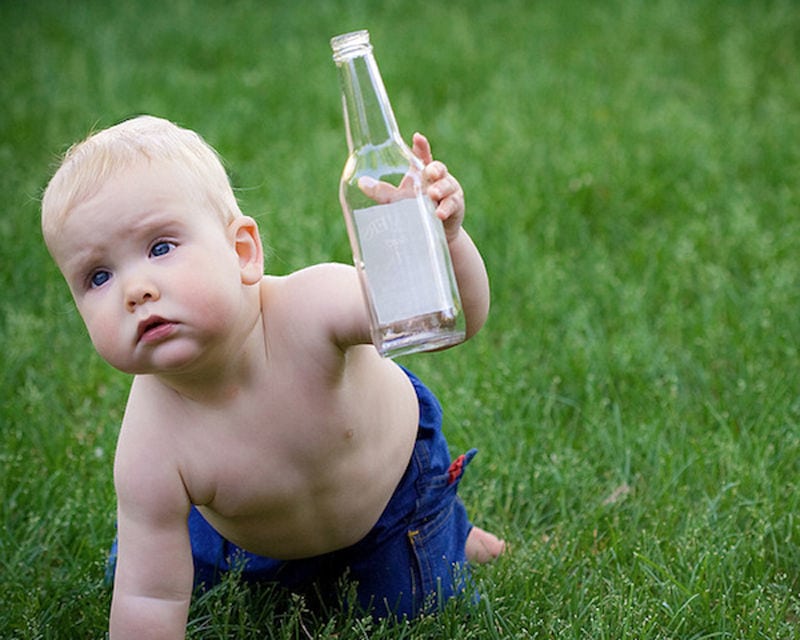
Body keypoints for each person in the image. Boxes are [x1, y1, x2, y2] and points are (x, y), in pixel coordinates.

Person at [41, 115, 504, 638]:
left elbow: (448, 319)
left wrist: (444, 240)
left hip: (391, 497)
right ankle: (176, 536)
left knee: (408, 609)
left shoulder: (313, 308)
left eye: (161, 248)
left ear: (242, 251)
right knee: (138, 571)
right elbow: (149, 597)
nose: (135, 289)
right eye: (98, 276)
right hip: (255, 533)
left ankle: (444, 527)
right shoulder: (150, 446)